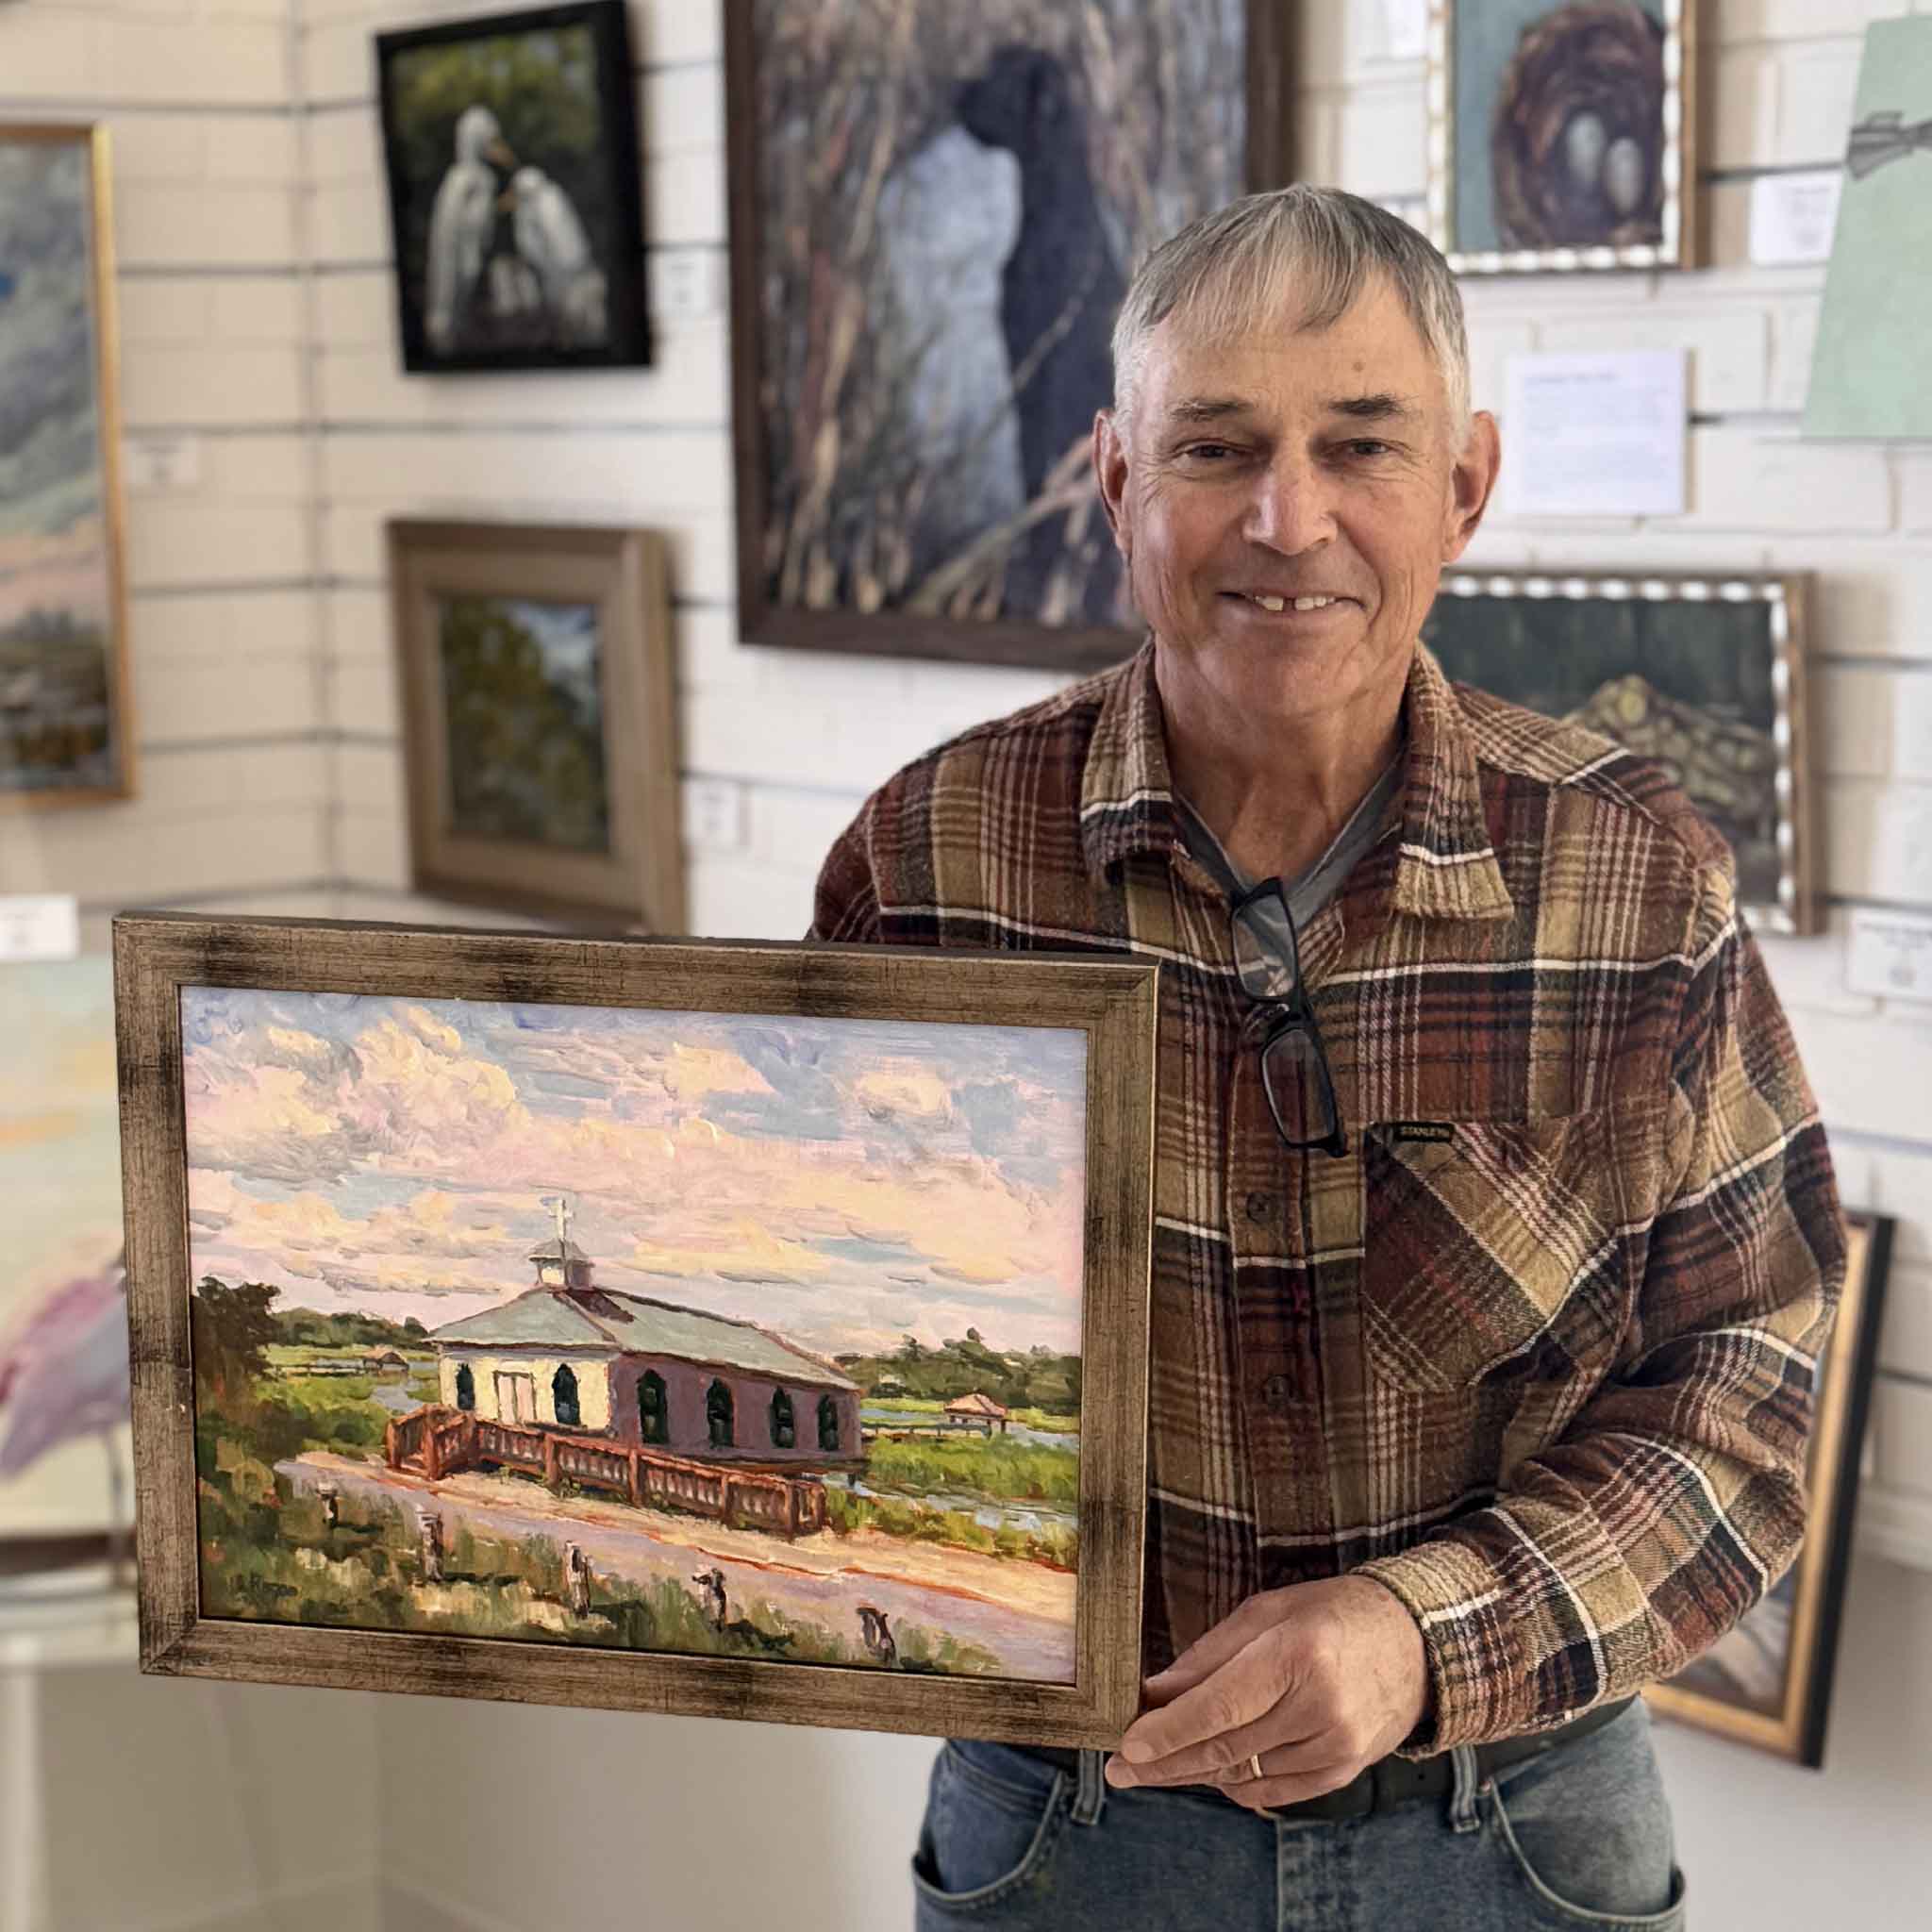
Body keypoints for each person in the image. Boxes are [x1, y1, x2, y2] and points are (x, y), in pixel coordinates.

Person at [808, 185, 1845, 1931]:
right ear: (1121, 481)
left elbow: (1751, 1398)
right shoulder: (933, 864)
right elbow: (799, 1305)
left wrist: (1422, 1634)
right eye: (1217, 448)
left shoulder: (1630, 878)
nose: (1290, 520)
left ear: (1466, 484)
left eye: (1361, 446)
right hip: (1069, 1831)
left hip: (1515, 1833)